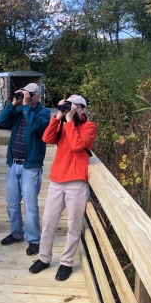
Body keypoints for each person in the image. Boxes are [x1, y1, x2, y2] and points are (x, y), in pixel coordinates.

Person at [28, 95, 97, 281]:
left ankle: (66, 263)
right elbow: (47, 138)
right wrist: (59, 116)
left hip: (76, 182)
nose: (70, 109)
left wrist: (69, 121)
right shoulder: (62, 122)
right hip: (57, 181)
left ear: (82, 109)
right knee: (48, 222)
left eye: (74, 106)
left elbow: (77, 145)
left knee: (73, 226)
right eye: (68, 105)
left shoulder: (89, 127)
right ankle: (44, 258)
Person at [0, 83, 50, 256]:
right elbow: (1, 121)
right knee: (12, 204)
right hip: (14, 164)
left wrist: (26, 106)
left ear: (37, 96)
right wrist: (13, 104)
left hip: (31, 166)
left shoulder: (44, 113)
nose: (26, 97)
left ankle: (34, 239)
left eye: (29, 94)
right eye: (25, 94)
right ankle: (16, 232)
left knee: (30, 206)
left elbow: (36, 127)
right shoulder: (19, 111)